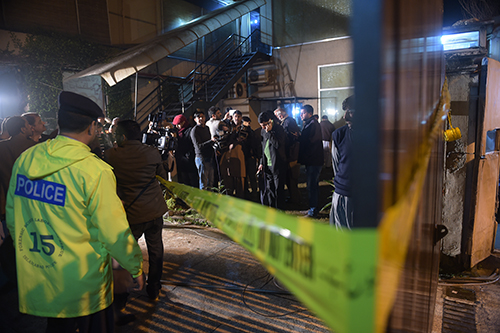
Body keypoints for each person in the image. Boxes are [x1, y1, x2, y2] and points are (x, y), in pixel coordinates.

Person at [6, 91, 144, 332]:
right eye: (98, 127)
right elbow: (114, 231)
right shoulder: (94, 170)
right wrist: (133, 266)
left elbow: (13, 216)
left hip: (42, 277)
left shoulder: (26, 160)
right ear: (91, 127)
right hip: (85, 283)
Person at [104, 120, 168, 301]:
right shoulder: (153, 153)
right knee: (156, 250)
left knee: (124, 253)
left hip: (130, 214)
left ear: (122, 137)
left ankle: (122, 294)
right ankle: (154, 287)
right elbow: (163, 180)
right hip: (154, 210)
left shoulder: (111, 155)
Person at [0, 116, 35, 288]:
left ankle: (17, 280)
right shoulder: (34, 149)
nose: (31, 128)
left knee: (14, 243)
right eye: (29, 125)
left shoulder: (1, 148)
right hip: (32, 206)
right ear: (23, 129)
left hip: (9, 205)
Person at [330, 96, 354, 229]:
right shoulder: (339, 135)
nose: (345, 117)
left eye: (350, 112)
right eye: (345, 112)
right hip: (342, 193)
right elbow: (336, 164)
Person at [258, 111, 287, 209]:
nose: (263, 127)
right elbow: (263, 148)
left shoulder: (279, 129)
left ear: (270, 122)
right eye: (261, 125)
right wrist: (261, 163)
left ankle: (280, 211)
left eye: (264, 125)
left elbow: (278, 145)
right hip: (267, 165)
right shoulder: (263, 131)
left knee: (278, 190)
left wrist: (269, 132)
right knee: (270, 189)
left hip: (278, 164)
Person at [298, 104, 323, 218]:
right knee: (312, 185)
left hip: (313, 161)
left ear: (309, 113)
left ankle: (313, 210)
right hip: (312, 161)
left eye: (303, 113)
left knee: (312, 186)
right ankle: (312, 208)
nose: (301, 115)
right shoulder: (310, 124)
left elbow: (311, 143)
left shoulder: (313, 125)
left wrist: (300, 138)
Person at [274, 107, 301, 204]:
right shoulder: (290, 121)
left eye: (277, 116)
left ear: (280, 115)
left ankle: (295, 199)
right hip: (291, 155)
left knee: (291, 179)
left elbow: (291, 139)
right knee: (290, 179)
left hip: (291, 156)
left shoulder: (288, 122)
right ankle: (294, 198)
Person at [190, 110, 216, 190]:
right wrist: (211, 141)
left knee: (210, 181)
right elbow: (199, 146)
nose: (201, 118)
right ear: (195, 119)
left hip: (209, 156)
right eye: (199, 117)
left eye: (202, 116)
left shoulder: (207, 128)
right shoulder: (194, 130)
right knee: (203, 182)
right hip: (201, 157)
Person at [172, 114, 198, 187]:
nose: (177, 126)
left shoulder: (190, 131)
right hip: (181, 160)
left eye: (178, 124)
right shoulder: (177, 132)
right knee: (184, 180)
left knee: (192, 180)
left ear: (183, 122)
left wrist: (188, 155)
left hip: (189, 160)